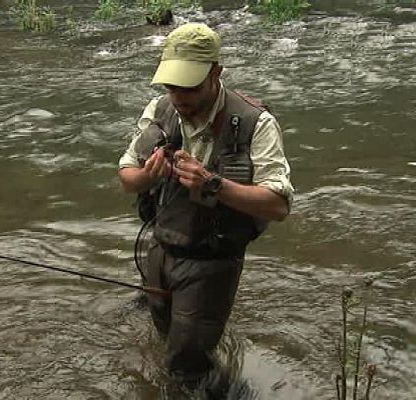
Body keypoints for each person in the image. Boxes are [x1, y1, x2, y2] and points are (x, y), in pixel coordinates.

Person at [118, 23, 294, 383]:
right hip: (160, 249)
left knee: (185, 366)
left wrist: (212, 184)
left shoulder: (255, 122)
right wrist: (148, 177)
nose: (178, 96)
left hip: (213, 261)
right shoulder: (158, 108)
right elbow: (126, 176)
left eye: (190, 86)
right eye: (171, 86)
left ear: (216, 73)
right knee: (165, 338)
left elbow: (278, 205)